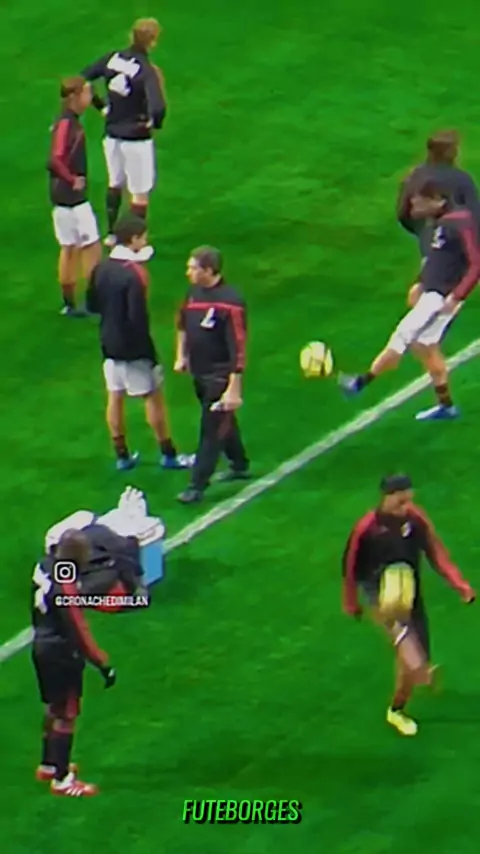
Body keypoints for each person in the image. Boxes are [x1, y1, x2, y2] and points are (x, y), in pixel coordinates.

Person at [342, 474, 475, 737]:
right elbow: (350, 567)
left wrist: (460, 585)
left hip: (408, 588)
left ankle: (408, 688)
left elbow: (436, 553)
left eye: (408, 501)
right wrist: (351, 602)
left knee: (415, 655)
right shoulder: (367, 528)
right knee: (404, 641)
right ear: (387, 497)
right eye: (400, 502)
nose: (405, 507)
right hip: (378, 590)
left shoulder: (415, 520)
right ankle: (409, 687)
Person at [339, 181, 480, 420]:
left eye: (420, 202)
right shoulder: (444, 222)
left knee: (401, 339)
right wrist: (420, 282)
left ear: (438, 200)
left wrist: (457, 296)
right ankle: (446, 406)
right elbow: (439, 259)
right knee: (426, 345)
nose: (414, 206)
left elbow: (476, 263)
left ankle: (360, 382)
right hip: (433, 292)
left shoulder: (461, 223)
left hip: (438, 298)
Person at [86, 215, 192, 471]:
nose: (145, 241)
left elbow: (91, 305)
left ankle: (122, 455)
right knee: (153, 397)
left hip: (108, 342)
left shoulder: (100, 268)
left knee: (115, 396)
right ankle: (168, 454)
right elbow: (137, 318)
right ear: (133, 239)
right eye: (143, 237)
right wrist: (148, 352)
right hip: (134, 347)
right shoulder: (135, 274)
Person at [32, 529, 116, 796]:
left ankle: (49, 764)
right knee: (66, 715)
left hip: (42, 645)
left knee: (52, 706)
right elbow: (78, 629)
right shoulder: (65, 586)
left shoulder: (44, 566)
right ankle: (62, 779)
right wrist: (102, 663)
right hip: (63, 653)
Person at [81, 18, 166, 245]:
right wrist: (154, 123)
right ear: (153, 41)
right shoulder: (147, 70)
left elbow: (84, 79)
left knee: (115, 182)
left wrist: (101, 107)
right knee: (139, 192)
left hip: (112, 133)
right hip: (136, 139)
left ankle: (111, 234)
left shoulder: (112, 58)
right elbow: (158, 107)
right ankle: (133, 241)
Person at [175, 246, 250, 504]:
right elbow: (181, 325)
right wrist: (181, 355)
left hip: (220, 375)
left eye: (193, 268)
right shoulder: (192, 294)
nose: (188, 272)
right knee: (222, 420)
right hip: (199, 371)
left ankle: (196, 485)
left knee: (211, 429)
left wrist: (234, 386)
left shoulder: (231, 302)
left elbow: (238, 347)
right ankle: (239, 464)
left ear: (208, 270)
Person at [48, 77, 102, 316]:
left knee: (68, 247)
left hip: (59, 196)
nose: (90, 98)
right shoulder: (67, 124)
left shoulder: (66, 122)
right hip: (72, 197)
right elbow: (55, 159)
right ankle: (93, 302)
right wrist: (73, 180)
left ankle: (69, 305)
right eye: (87, 94)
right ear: (74, 97)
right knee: (91, 247)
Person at [397, 130, 480, 259]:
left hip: (429, 250)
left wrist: (422, 231)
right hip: (457, 252)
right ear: (451, 153)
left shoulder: (415, 176)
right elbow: (475, 217)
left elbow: (403, 214)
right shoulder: (461, 179)